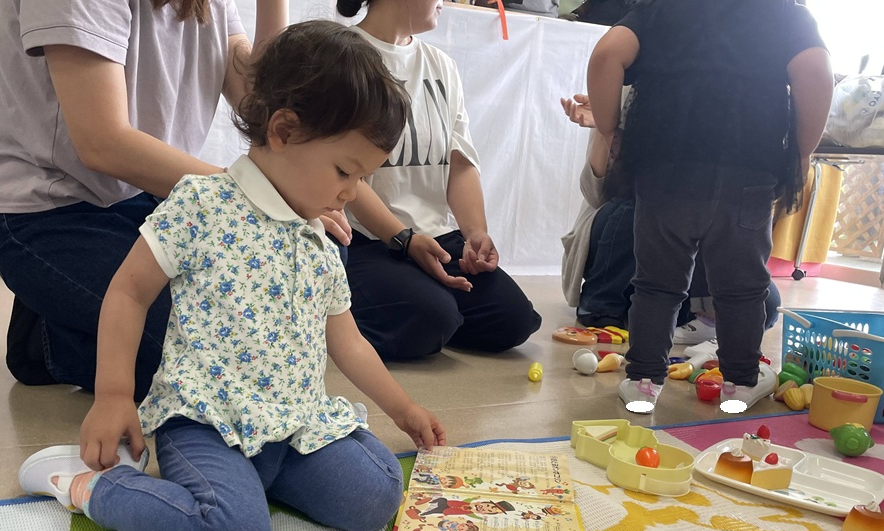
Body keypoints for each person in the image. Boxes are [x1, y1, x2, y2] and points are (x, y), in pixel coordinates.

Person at [17, 21, 446, 531]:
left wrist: (403, 408)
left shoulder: (318, 241)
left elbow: (349, 342)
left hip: (292, 426)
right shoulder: (202, 203)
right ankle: (93, 487)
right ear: (283, 131)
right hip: (207, 423)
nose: (350, 194)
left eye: (361, 179)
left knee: (378, 494)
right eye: (345, 171)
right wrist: (113, 396)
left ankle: (251, 486)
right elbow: (128, 293)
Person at [0, 0, 287, 400]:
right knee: (216, 360)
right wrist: (255, 196)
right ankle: (46, 340)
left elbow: (262, 112)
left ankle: (66, 306)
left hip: (145, 195)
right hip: (50, 211)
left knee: (284, 296)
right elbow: (103, 144)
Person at [586, 0, 832, 414]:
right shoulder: (782, 12)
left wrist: (609, 130)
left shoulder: (662, 9)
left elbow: (607, 54)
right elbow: (816, 71)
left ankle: (643, 381)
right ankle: (740, 383)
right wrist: (802, 152)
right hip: (747, 166)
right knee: (742, 287)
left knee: (656, 283)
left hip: (664, 167)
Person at [333, 0, 542, 362]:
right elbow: (343, 175)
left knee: (513, 320)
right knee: (432, 319)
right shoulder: (343, 56)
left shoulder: (442, 66)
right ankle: (343, 314)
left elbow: (459, 161)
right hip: (364, 239)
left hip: (432, 238)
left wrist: (475, 234)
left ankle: (423, 303)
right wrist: (404, 240)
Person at [559, 94, 783, 345]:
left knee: (766, 304)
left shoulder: (736, 108)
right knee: (638, 205)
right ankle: (602, 304)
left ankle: (679, 315)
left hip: (689, 252)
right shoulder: (632, 96)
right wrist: (607, 130)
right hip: (626, 242)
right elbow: (596, 195)